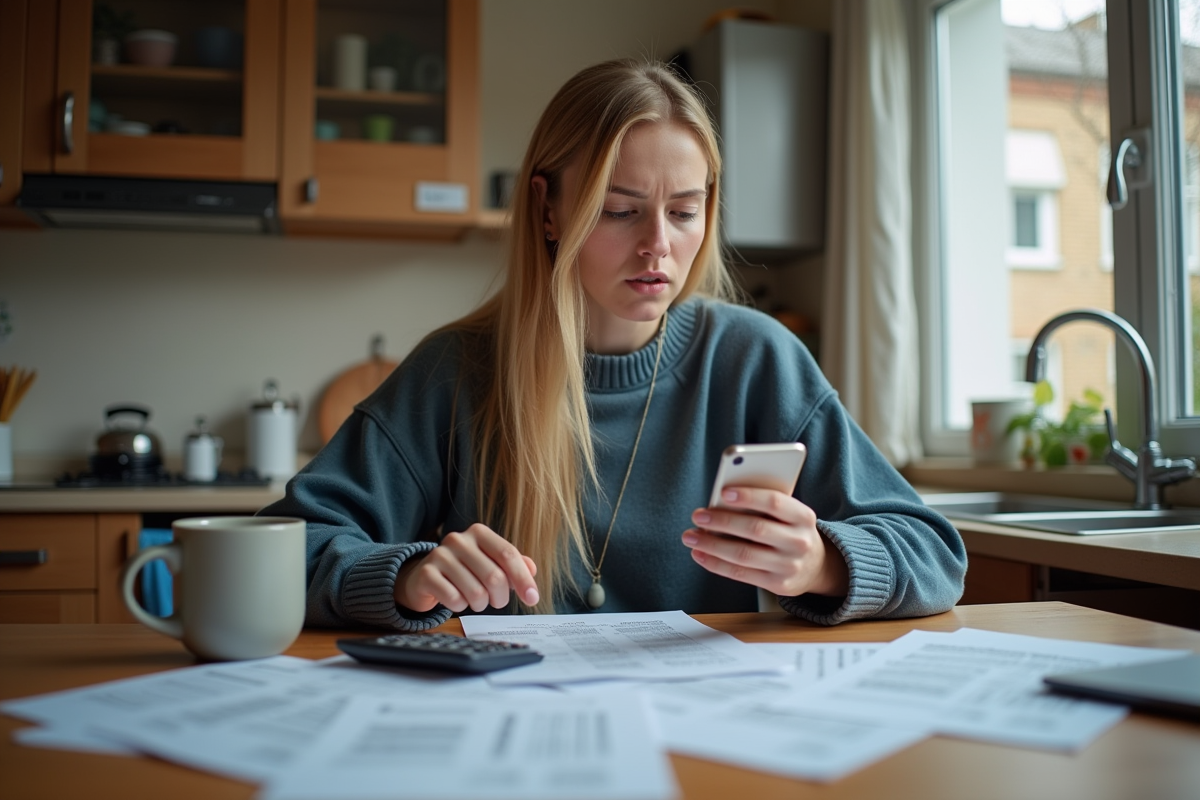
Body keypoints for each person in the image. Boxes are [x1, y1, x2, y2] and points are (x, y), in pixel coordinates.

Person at [263, 59, 966, 631]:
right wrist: (407, 576)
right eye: (620, 210)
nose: (658, 245)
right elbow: (280, 554)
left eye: (684, 212)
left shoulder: (756, 360)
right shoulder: (452, 372)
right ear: (548, 209)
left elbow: (935, 554)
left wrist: (821, 564)